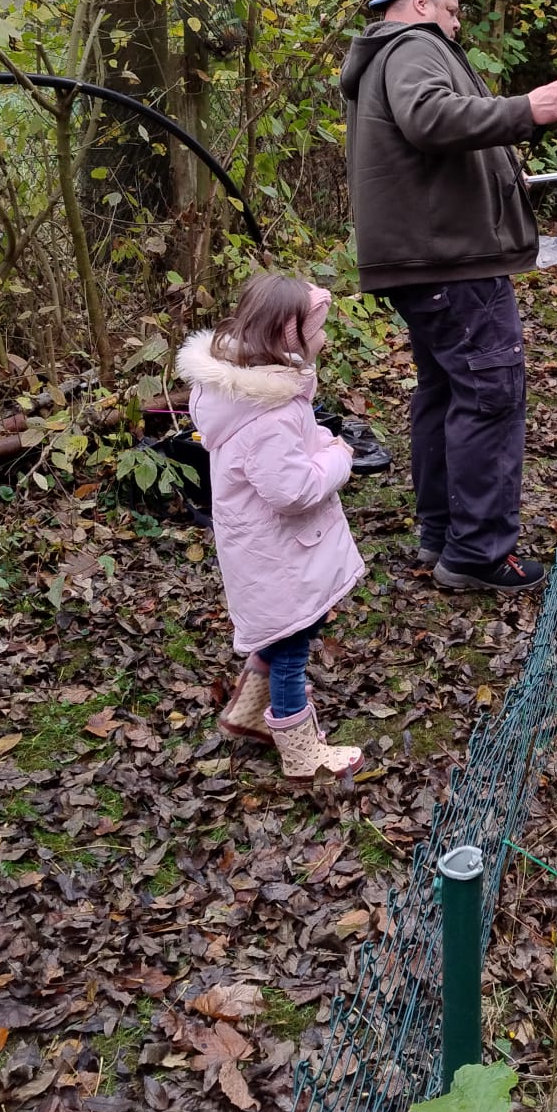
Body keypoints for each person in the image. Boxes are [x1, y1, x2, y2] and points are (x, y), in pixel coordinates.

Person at [340, 0, 557, 595]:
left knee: (446, 390)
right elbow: (430, 119)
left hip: (430, 259)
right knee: (490, 392)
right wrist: (526, 109)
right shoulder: (413, 46)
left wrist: (502, 173)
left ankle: (444, 533)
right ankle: (477, 552)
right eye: (451, 12)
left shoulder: (388, 55)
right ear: (421, 3)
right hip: (449, 261)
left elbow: (428, 144)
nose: (456, 24)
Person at [178, 273, 366, 780]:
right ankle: (301, 754)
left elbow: (289, 449)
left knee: (289, 629)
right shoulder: (269, 413)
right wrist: (339, 457)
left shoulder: (251, 391)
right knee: (292, 646)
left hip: (266, 547)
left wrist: (318, 441)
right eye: (317, 329)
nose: (324, 337)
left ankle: (247, 712)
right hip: (277, 553)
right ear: (289, 338)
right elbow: (292, 490)